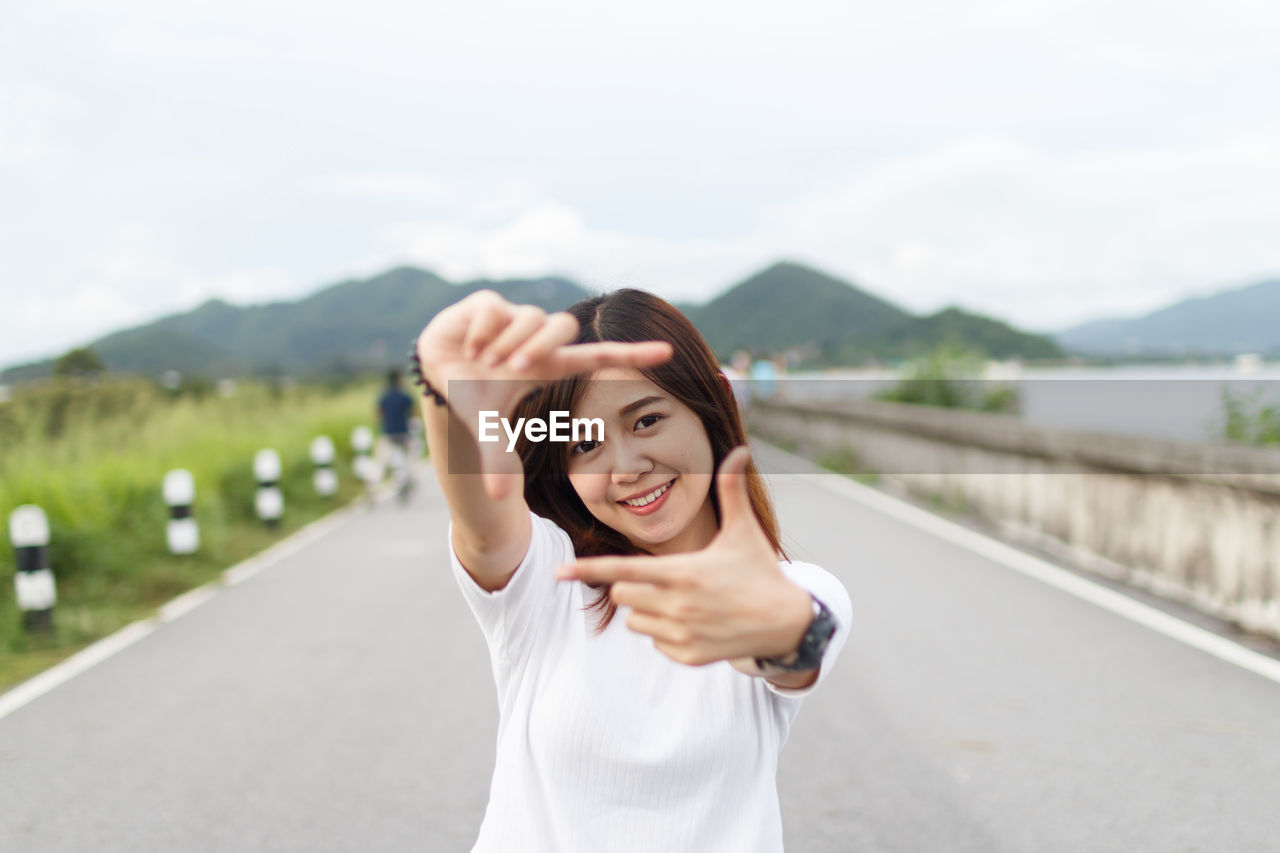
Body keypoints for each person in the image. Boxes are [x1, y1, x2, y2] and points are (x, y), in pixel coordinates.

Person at [412, 289, 852, 852]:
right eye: (583, 442)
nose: (625, 467)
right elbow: (484, 515)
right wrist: (447, 391)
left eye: (646, 421)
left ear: (714, 403)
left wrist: (776, 629)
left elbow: (795, 638)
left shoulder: (798, 590)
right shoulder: (543, 576)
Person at [376, 368, 416, 501]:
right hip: (403, 433)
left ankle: (372, 486)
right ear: (399, 380)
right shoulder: (404, 396)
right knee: (410, 458)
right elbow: (412, 413)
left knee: (381, 461)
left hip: (388, 433)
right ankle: (408, 480)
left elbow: (379, 414)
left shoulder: (384, 397)